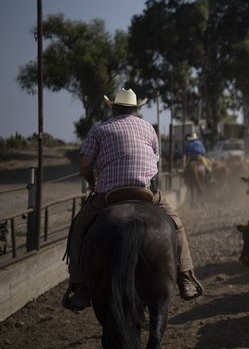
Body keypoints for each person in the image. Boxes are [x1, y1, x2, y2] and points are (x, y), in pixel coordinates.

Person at [62, 88, 203, 311]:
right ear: (136, 109)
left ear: (114, 107)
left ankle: (79, 287)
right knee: (176, 224)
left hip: (108, 194)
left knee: (78, 230)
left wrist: (92, 182)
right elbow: (154, 164)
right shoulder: (148, 128)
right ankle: (185, 277)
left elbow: (85, 166)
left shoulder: (99, 129)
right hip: (144, 192)